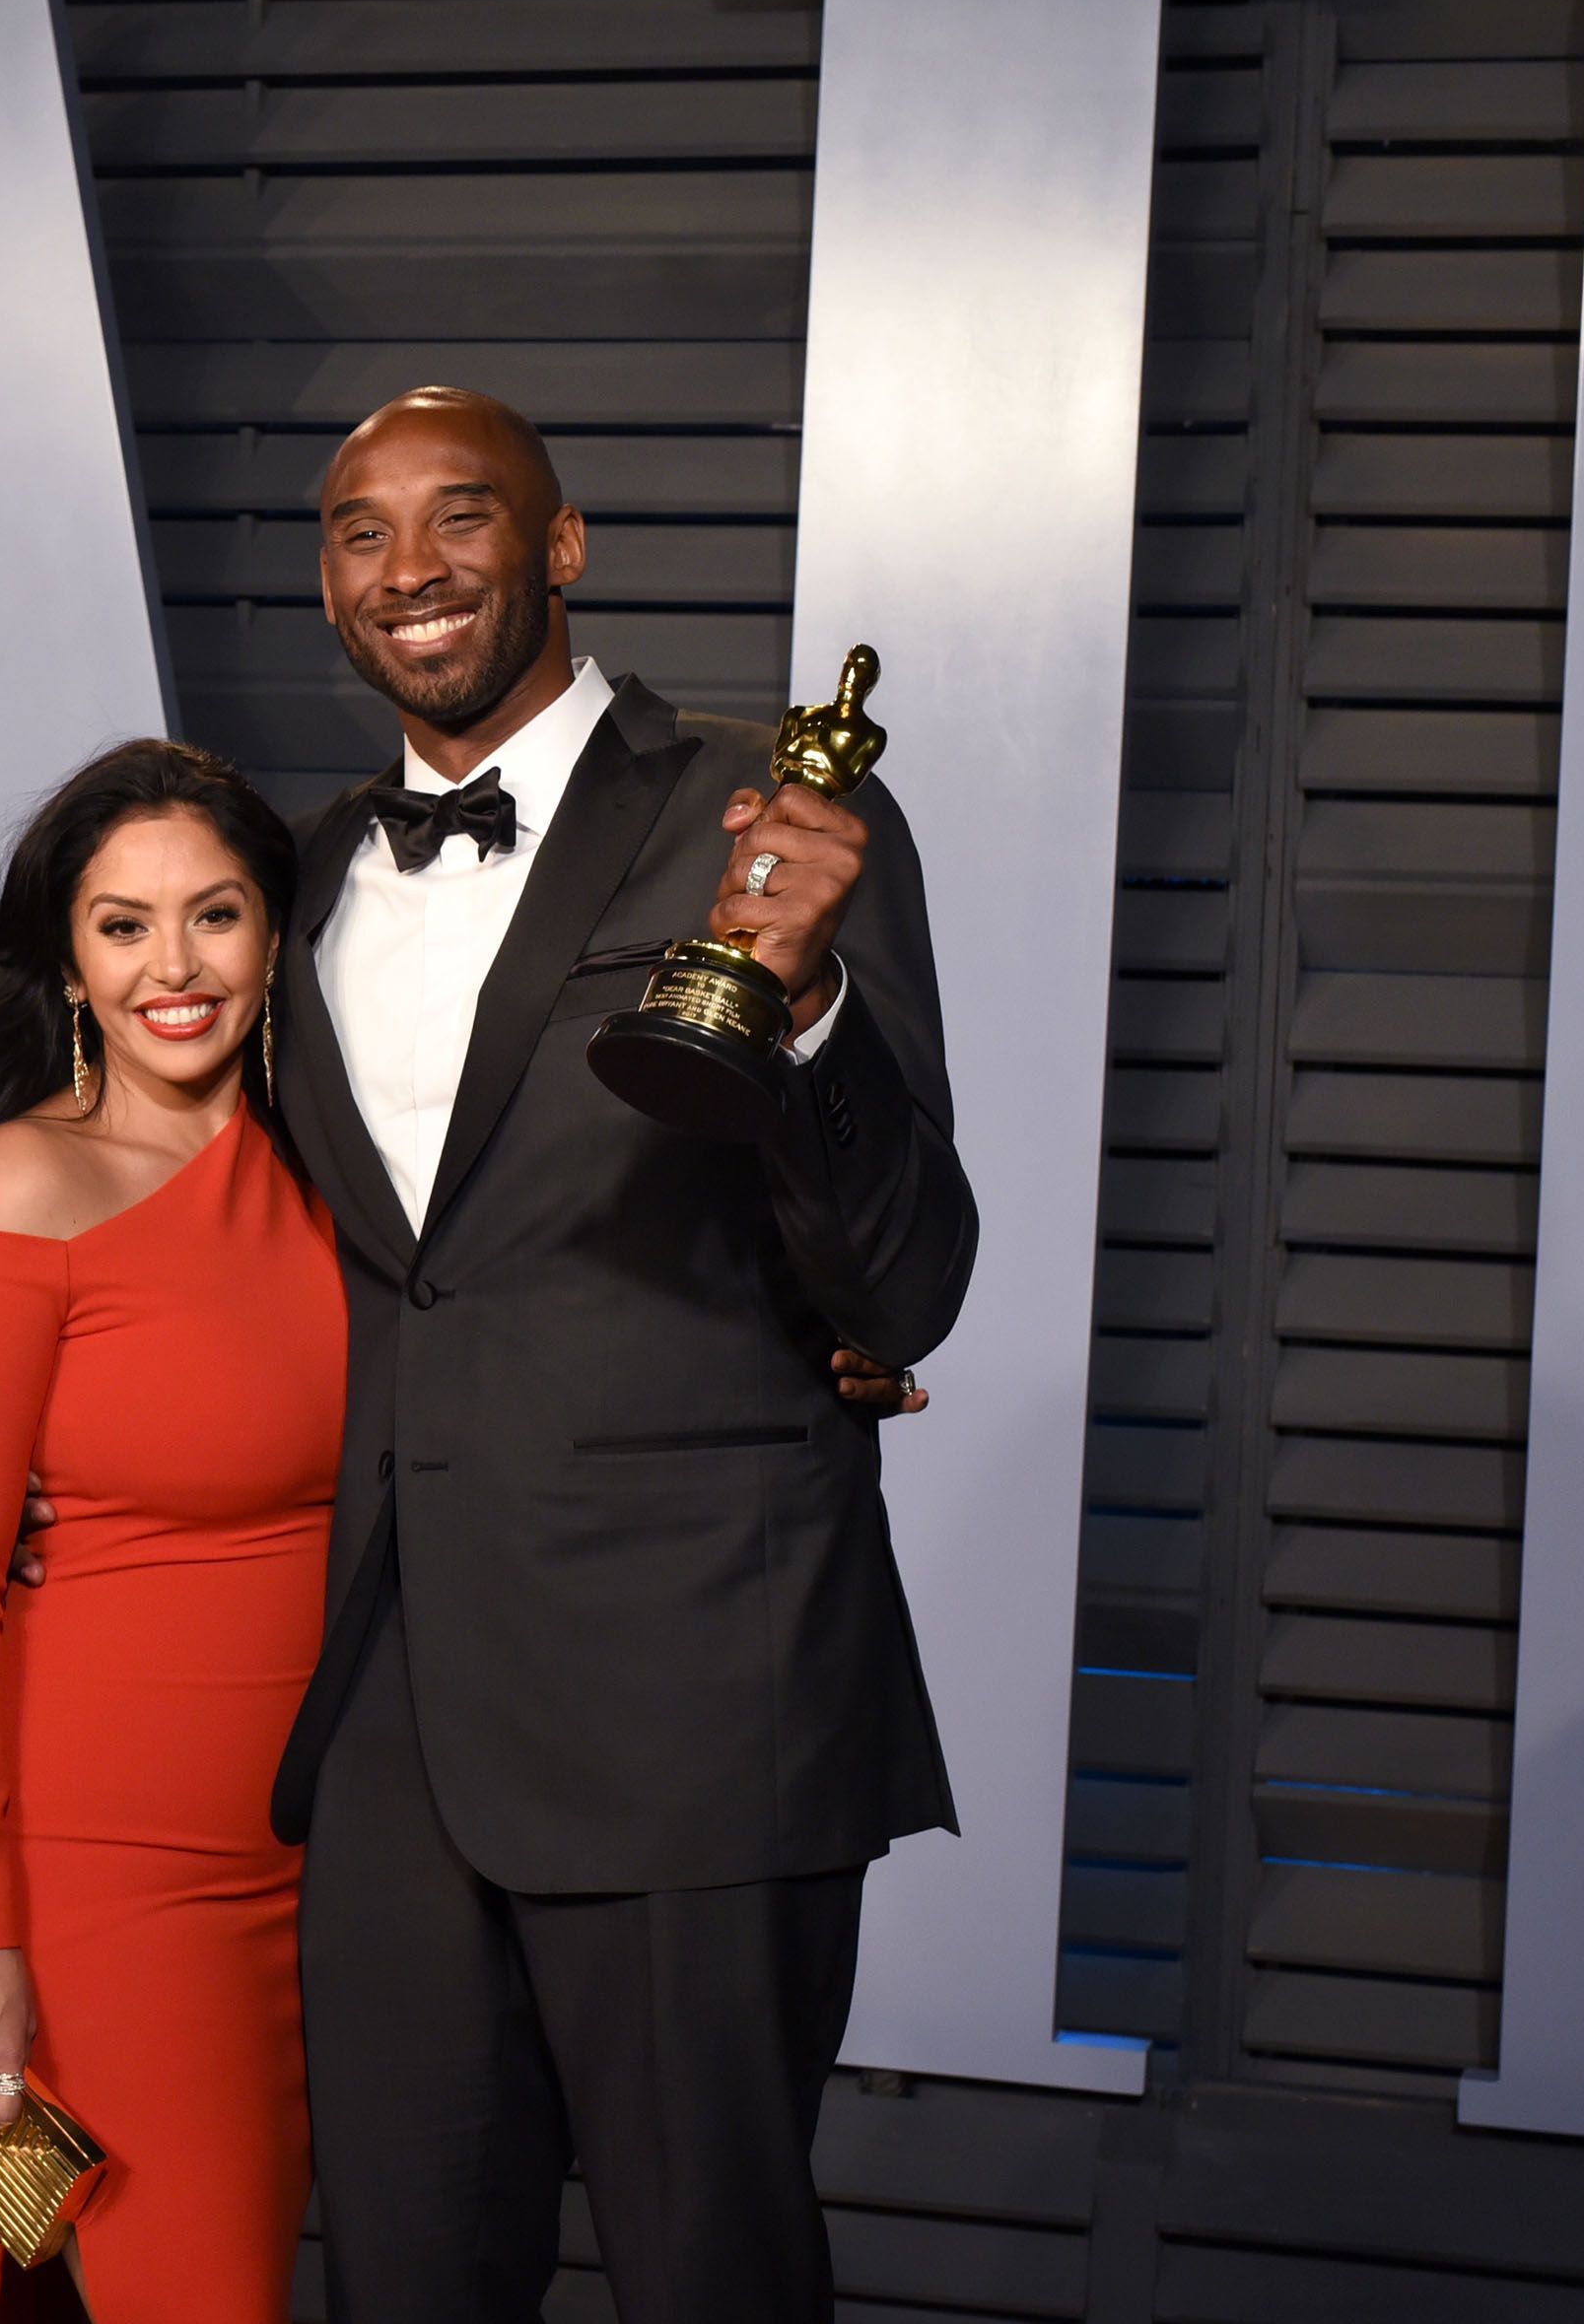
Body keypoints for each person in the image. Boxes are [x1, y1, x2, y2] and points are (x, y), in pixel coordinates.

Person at [267, 388, 979, 2323]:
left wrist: (809, 1005)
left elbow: (908, 1278)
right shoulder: (301, 865)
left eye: (460, 517)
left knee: (708, 2279)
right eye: (359, 530)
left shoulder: (768, 817)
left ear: (562, 546)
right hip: (393, 1712)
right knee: (403, 2278)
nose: (409, 569)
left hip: (694, 1692)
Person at [0, 741, 331, 2321]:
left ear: (276, 935)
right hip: (119, 1876)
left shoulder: (342, 1185)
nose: (173, 967)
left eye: (213, 915)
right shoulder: (21, 1187)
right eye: (123, 925)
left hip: (340, 1854)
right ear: (68, 957)